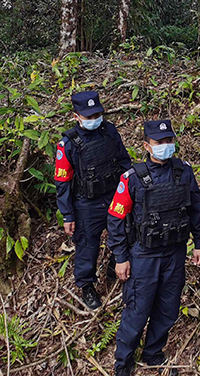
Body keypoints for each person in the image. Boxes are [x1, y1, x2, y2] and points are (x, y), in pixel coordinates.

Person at [107, 120, 200, 376]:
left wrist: (198, 242)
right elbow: (116, 218)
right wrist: (120, 257)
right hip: (144, 255)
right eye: (159, 142)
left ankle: (153, 353)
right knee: (137, 311)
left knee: (168, 307)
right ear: (146, 146)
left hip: (174, 252)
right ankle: (124, 363)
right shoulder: (133, 178)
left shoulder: (184, 172)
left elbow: (195, 208)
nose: (165, 146)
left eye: (169, 141)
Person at [54, 90, 132, 309]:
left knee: (127, 232)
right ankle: (87, 286)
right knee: (87, 245)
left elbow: (124, 162)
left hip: (114, 195)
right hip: (86, 203)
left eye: (97, 115)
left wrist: (131, 192)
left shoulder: (109, 132)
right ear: (76, 116)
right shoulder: (68, 143)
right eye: (88, 117)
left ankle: (113, 267)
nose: (94, 120)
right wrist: (67, 214)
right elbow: (63, 180)